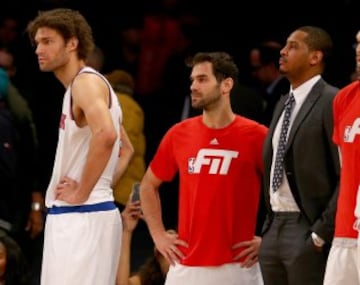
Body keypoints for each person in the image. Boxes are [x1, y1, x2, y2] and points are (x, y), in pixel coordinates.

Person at [139, 51, 267, 285]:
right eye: (192, 80)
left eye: (202, 79)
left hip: (239, 266)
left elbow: (284, 191)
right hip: (186, 266)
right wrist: (158, 236)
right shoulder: (178, 134)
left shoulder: (257, 135)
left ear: (226, 84)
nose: (194, 86)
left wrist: (268, 239)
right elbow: (148, 185)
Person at [26, 8, 125, 285]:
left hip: (83, 215)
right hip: (88, 212)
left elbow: (106, 136)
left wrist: (83, 191)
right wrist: (102, 185)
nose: (39, 50)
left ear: (72, 43)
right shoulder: (84, 86)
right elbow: (124, 148)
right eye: (37, 43)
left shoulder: (85, 83)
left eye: (47, 41)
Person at [259, 26, 340, 285]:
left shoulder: (332, 100)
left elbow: (347, 172)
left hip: (306, 224)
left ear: (315, 57)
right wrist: (268, 225)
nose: (282, 51)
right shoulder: (283, 102)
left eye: (293, 46)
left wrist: (320, 233)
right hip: (273, 225)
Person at [323, 29, 360, 285]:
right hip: (346, 232)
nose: (359, 49)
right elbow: (345, 169)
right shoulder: (345, 98)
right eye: (358, 42)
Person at [116, 195, 176, 285]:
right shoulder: (152, 278)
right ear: (158, 254)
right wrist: (127, 231)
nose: (176, 263)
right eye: (172, 252)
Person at [249, 41, 290, 126]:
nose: (253, 74)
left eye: (256, 68)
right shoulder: (271, 91)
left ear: (271, 67)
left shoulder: (285, 92)